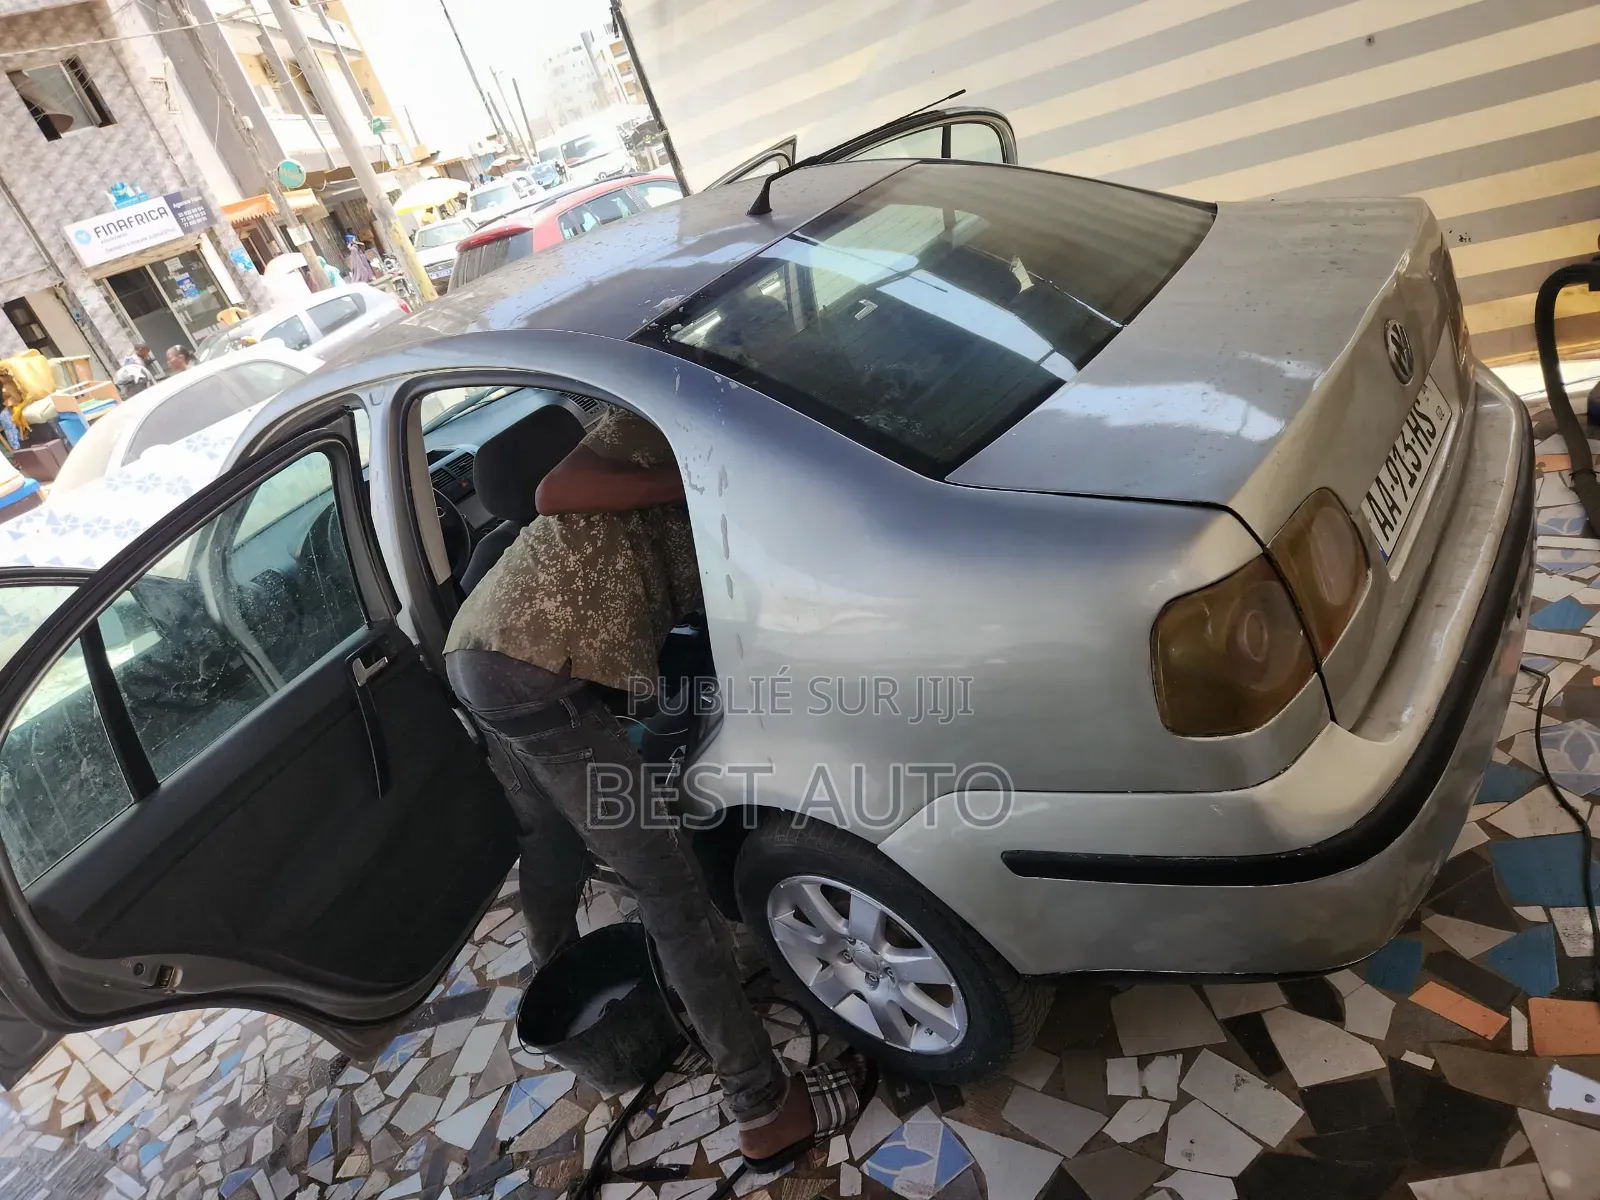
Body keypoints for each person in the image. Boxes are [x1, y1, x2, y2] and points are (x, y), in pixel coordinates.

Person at [444, 406, 872, 1170]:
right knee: (669, 887)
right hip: (531, 665)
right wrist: (697, 477)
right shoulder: (650, 422)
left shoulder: (721, 438)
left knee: (548, 835)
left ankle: (555, 967)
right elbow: (554, 488)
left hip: (483, 659)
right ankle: (764, 1109)